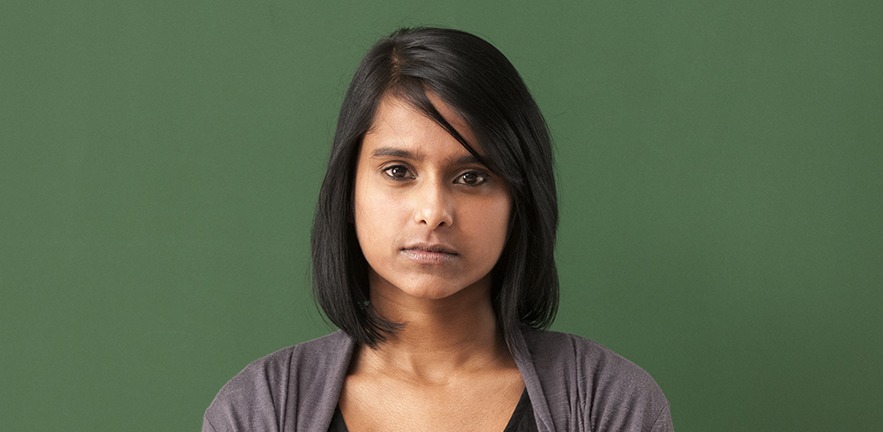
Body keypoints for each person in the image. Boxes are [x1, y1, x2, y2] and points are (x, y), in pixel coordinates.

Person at [203, 27, 673, 432]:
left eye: (472, 177)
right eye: (398, 171)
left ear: (519, 201)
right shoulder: (258, 409)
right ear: (349, 190)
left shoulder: (610, 403)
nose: (433, 212)